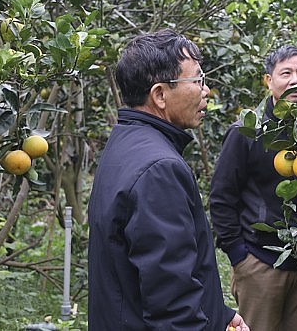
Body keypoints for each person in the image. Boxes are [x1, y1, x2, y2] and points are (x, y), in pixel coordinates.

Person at [87, 29, 248, 331]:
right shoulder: (159, 169)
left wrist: (218, 315)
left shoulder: (126, 143)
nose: (206, 90)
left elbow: (166, 274)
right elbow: (172, 306)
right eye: (197, 80)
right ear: (160, 94)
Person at [210, 45, 297, 331]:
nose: (296, 80)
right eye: (286, 73)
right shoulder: (248, 132)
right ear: (269, 80)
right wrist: (238, 255)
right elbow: (222, 198)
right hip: (261, 263)